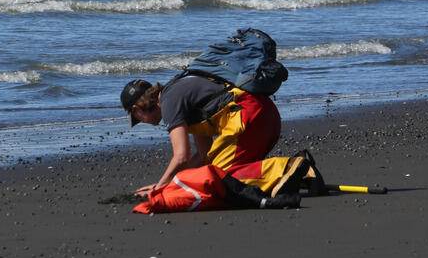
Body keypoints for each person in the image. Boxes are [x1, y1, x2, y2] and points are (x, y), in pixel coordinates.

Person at [121, 75, 323, 198]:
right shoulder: (177, 93)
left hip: (249, 118)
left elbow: (181, 156)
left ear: (137, 109)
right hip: (266, 116)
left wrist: (159, 188)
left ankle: (291, 166)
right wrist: (174, 183)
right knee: (217, 173)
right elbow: (204, 155)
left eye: (137, 119)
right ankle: (297, 175)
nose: (142, 122)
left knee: (220, 179)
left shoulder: (169, 101)